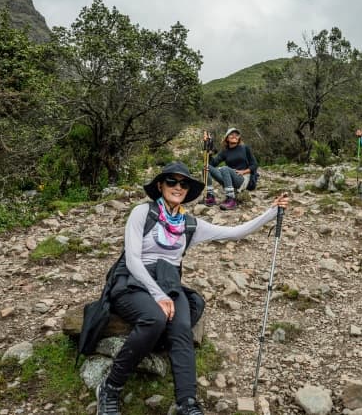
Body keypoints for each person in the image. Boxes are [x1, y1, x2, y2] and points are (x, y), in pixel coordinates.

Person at [96, 161, 289, 415]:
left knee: (181, 329)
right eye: (172, 182)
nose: (178, 187)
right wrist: (159, 295)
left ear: (188, 190)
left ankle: (187, 403)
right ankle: (110, 387)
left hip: (169, 283)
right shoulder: (142, 213)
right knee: (154, 318)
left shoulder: (190, 225)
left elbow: (235, 232)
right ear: (160, 185)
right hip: (133, 281)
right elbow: (132, 259)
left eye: (183, 183)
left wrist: (271, 212)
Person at [203, 127, 259, 210]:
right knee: (206, 167)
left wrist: (244, 171)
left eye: (237, 135)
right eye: (231, 134)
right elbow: (212, 164)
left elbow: (254, 164)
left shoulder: (244, 148)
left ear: (239, 138)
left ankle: (231, 199)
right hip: (228, 179)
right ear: (227, 138)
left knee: (224, 168)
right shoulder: (225, 151)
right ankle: (210, 197)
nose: (234, 136)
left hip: (242, 179)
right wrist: (210, 153)